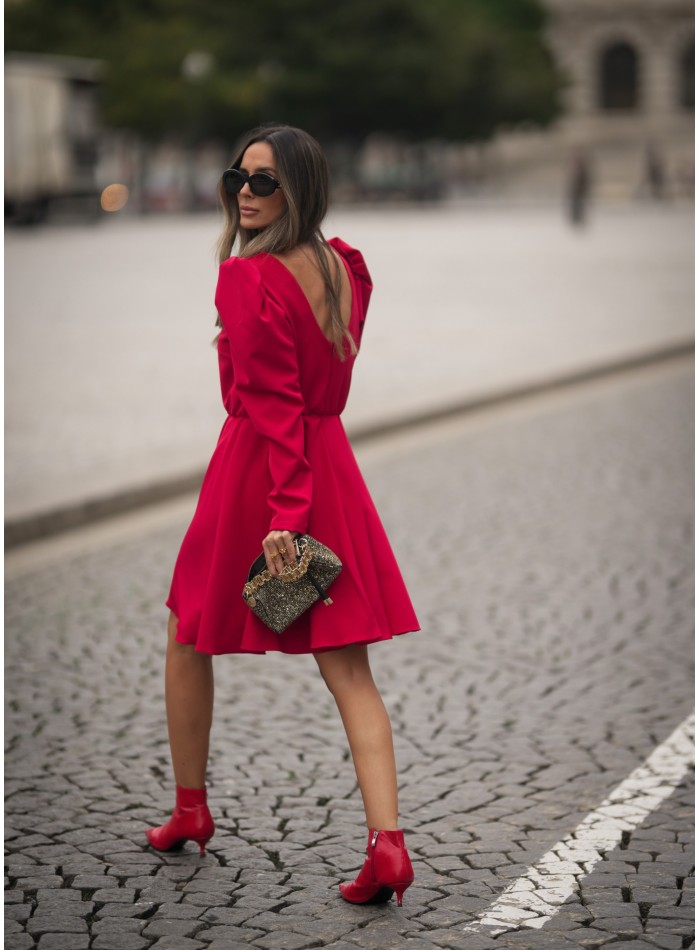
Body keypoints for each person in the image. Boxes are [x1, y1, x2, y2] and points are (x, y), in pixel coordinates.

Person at [145, 124, 420, 908]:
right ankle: (387, 848)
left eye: (264, 181)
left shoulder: (247, 279)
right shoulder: (345, 268)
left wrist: (286, 514)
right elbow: (319, 386)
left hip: (264, 476)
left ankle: (190, 809)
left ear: (299, 190)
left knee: (186, 627)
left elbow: (267, 401)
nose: (246, 193)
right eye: (238, 177)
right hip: (331, 468)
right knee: (348, 667)